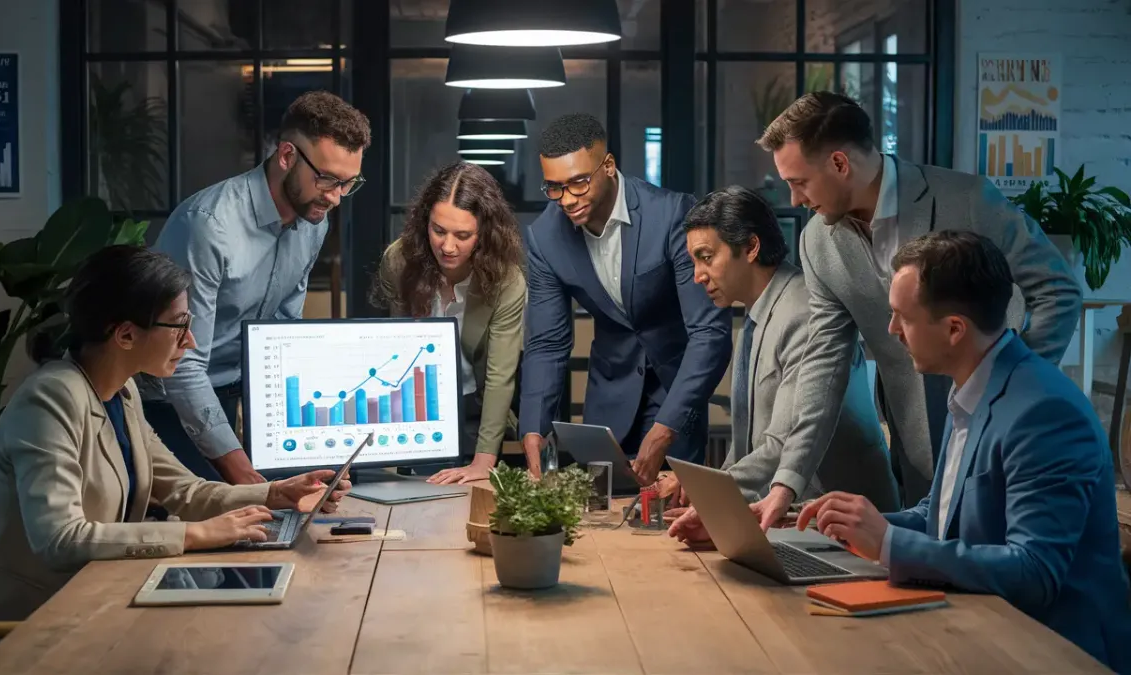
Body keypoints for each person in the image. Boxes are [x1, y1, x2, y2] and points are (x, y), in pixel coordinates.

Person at [0, 246, 351, 674]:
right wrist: (193, 535)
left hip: (91, 609)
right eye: (180, 326)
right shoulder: (50, 400)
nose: (190, 341)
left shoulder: (122, 391)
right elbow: (59, 540)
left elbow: (182, 489)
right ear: (124, 335)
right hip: (22, 635)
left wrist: (275, 492)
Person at [795, 231, 1131, 672]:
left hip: (1054, 652)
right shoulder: (978, 385)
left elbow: (1035, 573)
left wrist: (888, 542)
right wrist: (847, 526)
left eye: (902, 318)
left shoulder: (1044, 411)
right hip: (985, 625)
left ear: (955, 329)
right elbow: (944, 514)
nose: (892, 331)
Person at [756, 91, 1080, 511]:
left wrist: (1011, 389)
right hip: (913, 446)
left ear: (839, 163)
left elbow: (1058, 289)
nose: (796, 200)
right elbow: (823, 362)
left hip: (1003, 437)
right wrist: (787, 482)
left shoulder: (968, 200)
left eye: (798, 182)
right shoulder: (817, 243)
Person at [139, 91, 372, 485]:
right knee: (216, 517)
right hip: (167, 400)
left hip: (230, 392)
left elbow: (283, 333)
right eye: (328, 179)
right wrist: (245, 475)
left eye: (348, 184)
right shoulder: (209, 226)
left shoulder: (314, 219)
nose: (335, 198)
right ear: (286, 156)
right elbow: (183, 364)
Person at [665, 187, 897, 543]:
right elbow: (749, 443)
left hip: (839, 526)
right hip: (790, 519)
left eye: (706, 257)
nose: (698, 275)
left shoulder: (805, 310)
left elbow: (781, 442)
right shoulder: (758, 311)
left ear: (751, 247)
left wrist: (716, 499)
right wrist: (709, 492)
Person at [519, 113, 733, 481]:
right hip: (609, 399)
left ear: (608, 166)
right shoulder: (544, 238)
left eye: (578, 183)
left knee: (672, 523)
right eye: (554, 188)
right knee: (600, 524)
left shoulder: (671, 214)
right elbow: (547, 344)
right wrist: (533, 428)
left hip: (677, 393)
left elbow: (709, 332)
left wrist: (667, 425)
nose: (567, 200)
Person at [372, 161, 526, 484]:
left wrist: (484, 463)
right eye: (438, 230)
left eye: (463, 235)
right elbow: (392, 347)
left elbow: (500, 377)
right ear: (424, 221)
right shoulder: (399, 261)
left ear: (484, 234)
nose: (448, 246)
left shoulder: (506, 281)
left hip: (475, 405)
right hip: (415, 407)